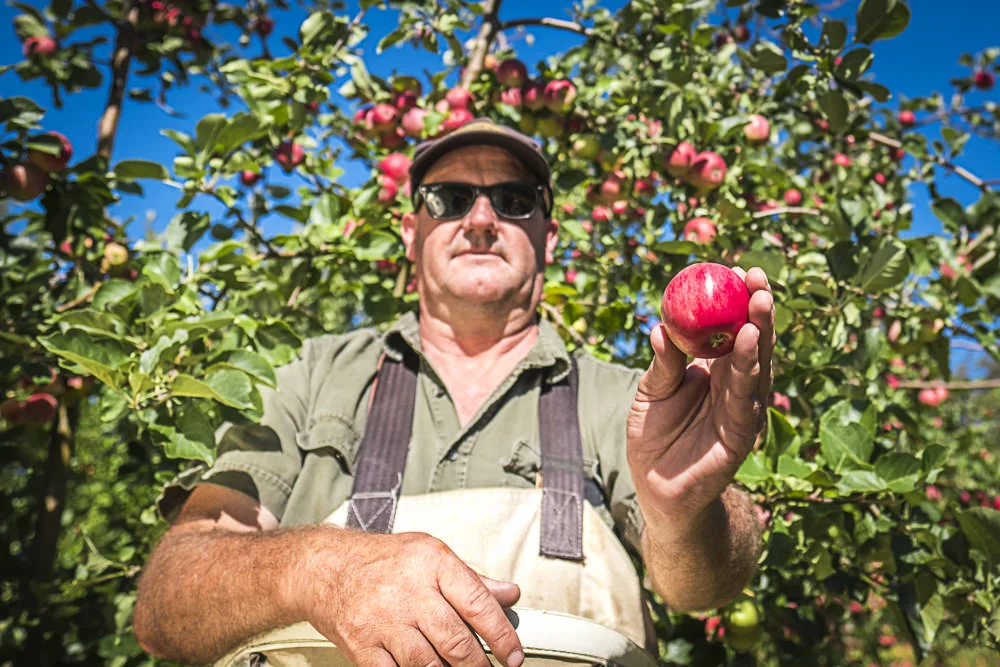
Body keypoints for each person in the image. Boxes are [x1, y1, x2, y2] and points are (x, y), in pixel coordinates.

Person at [133, 118, 775, 667]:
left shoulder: (625, 398)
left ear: (548, 237)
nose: (481, 219)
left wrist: (687, 512)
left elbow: (703, 587)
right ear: (411, 232)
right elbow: (168, 599)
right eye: (447, 198)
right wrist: (322, 568)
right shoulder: (310, 377)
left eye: (516, 198)